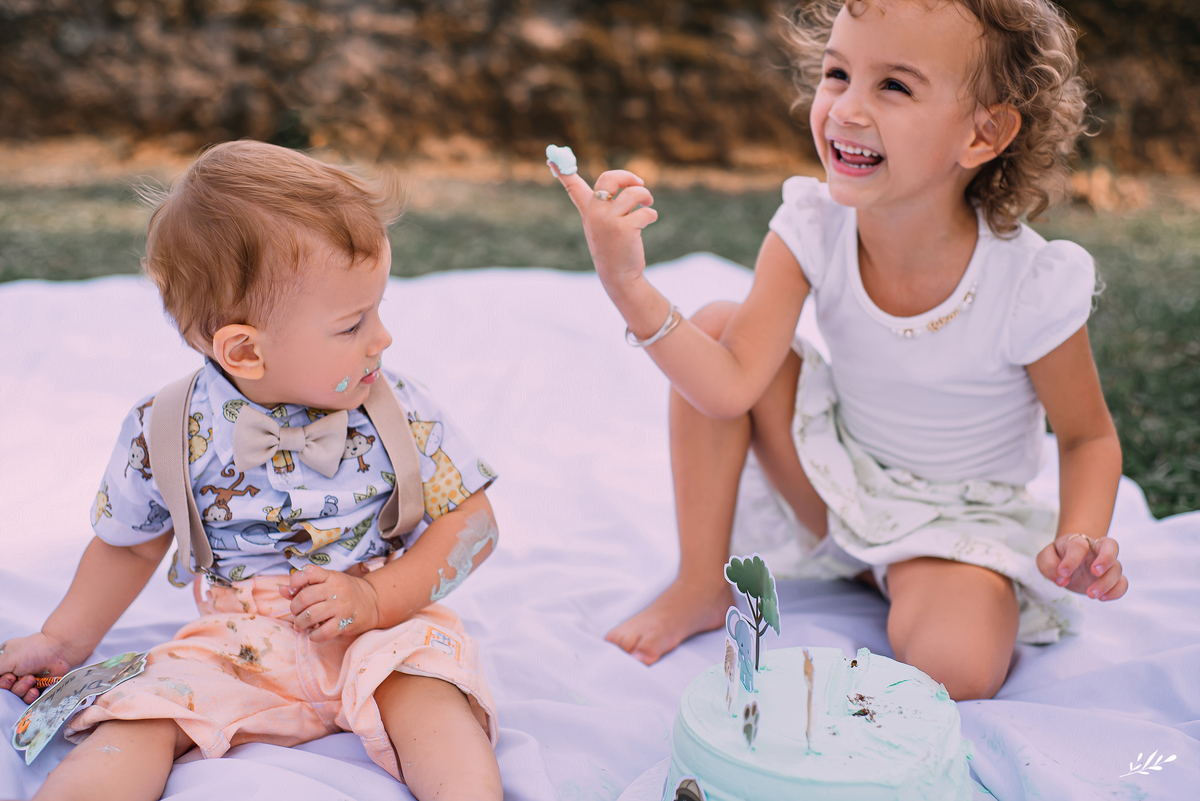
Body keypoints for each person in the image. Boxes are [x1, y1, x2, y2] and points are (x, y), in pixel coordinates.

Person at [552, 0, 1128, 701]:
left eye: (894, 85)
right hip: (836, 480)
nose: (846, 108)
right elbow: (729, 387)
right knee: (714, 321)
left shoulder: (1027, 281)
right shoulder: (813, 222)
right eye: (837, 74)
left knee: (959, 668)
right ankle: (701, 580)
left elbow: (1087, 436)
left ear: (983, 133)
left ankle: (908, 578)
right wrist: (628, 284)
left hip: (952, 523)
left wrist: (1082, 536)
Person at [0, 141, 503, 800]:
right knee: (140, 714)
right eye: (353, 323)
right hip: (234, 641)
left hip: (381, 622)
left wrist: (379, 599)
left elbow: (474, 522)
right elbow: (131, 542)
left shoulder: (394, 404)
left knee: (432, 697)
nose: (382, 338)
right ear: (245, 350)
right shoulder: (168, 427)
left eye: (377, 310)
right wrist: (64, 638)